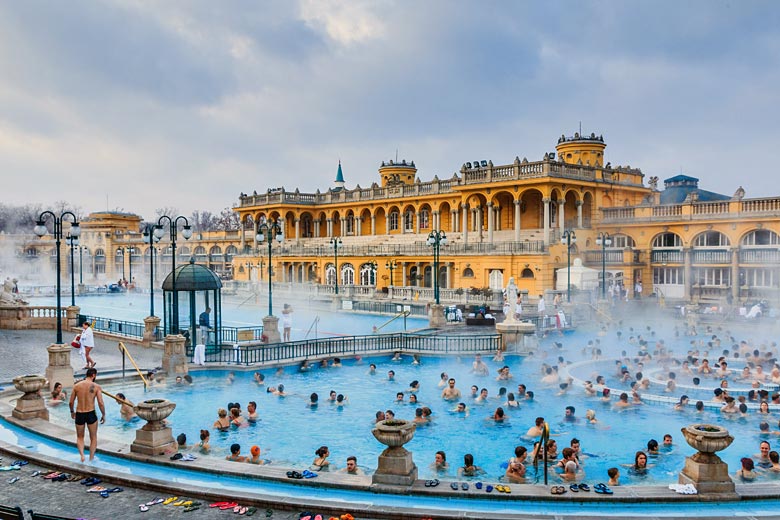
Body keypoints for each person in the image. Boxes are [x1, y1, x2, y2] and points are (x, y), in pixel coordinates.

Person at [68, 368, 105, 462]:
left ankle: (82, 456)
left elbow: (71, 402)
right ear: (94, 375)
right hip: (91, 413)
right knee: (93, 437)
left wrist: (72, 412)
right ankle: (91, 458)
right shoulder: (96, 386)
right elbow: (100, 402)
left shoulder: (77, 386)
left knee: (80, 437)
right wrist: (103, 414)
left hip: (80, 413)